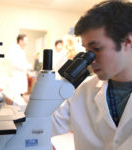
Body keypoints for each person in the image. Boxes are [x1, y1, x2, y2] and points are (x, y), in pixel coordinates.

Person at [51, 0, 132, 150]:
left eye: (97, 48)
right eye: (87, 51)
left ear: (128, 41)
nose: (90, 59)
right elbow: (44, 125)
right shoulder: (81, 91)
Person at [8, 34, 31, 103]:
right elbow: (14, 63)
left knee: (20, 94)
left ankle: (19, 109)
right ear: (20, 41)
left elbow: (23, 62)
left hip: (21, 75)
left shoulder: (21, 50)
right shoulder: (15, 49)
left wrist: (27, 66)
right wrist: (27, 66)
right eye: (25, 41)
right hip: (17, 75)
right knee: (16, 96)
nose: (26, 43)